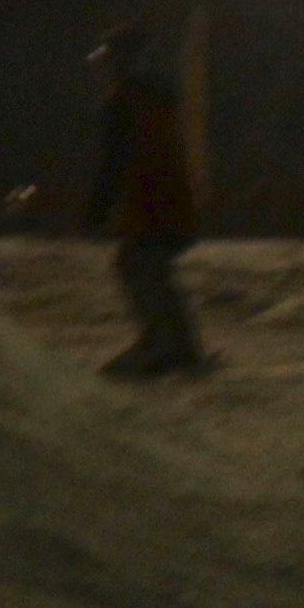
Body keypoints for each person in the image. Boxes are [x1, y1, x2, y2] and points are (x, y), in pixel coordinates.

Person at [82, 25, 207, 379]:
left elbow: (115, 160)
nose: (99, 68)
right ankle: (179, 344)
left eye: (103, 59)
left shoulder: (122, 101)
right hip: (171, 197)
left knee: (138, 267)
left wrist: (97, 209)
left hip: (149, 201)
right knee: (152, 269)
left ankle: (162, 344)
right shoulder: (155, 97)